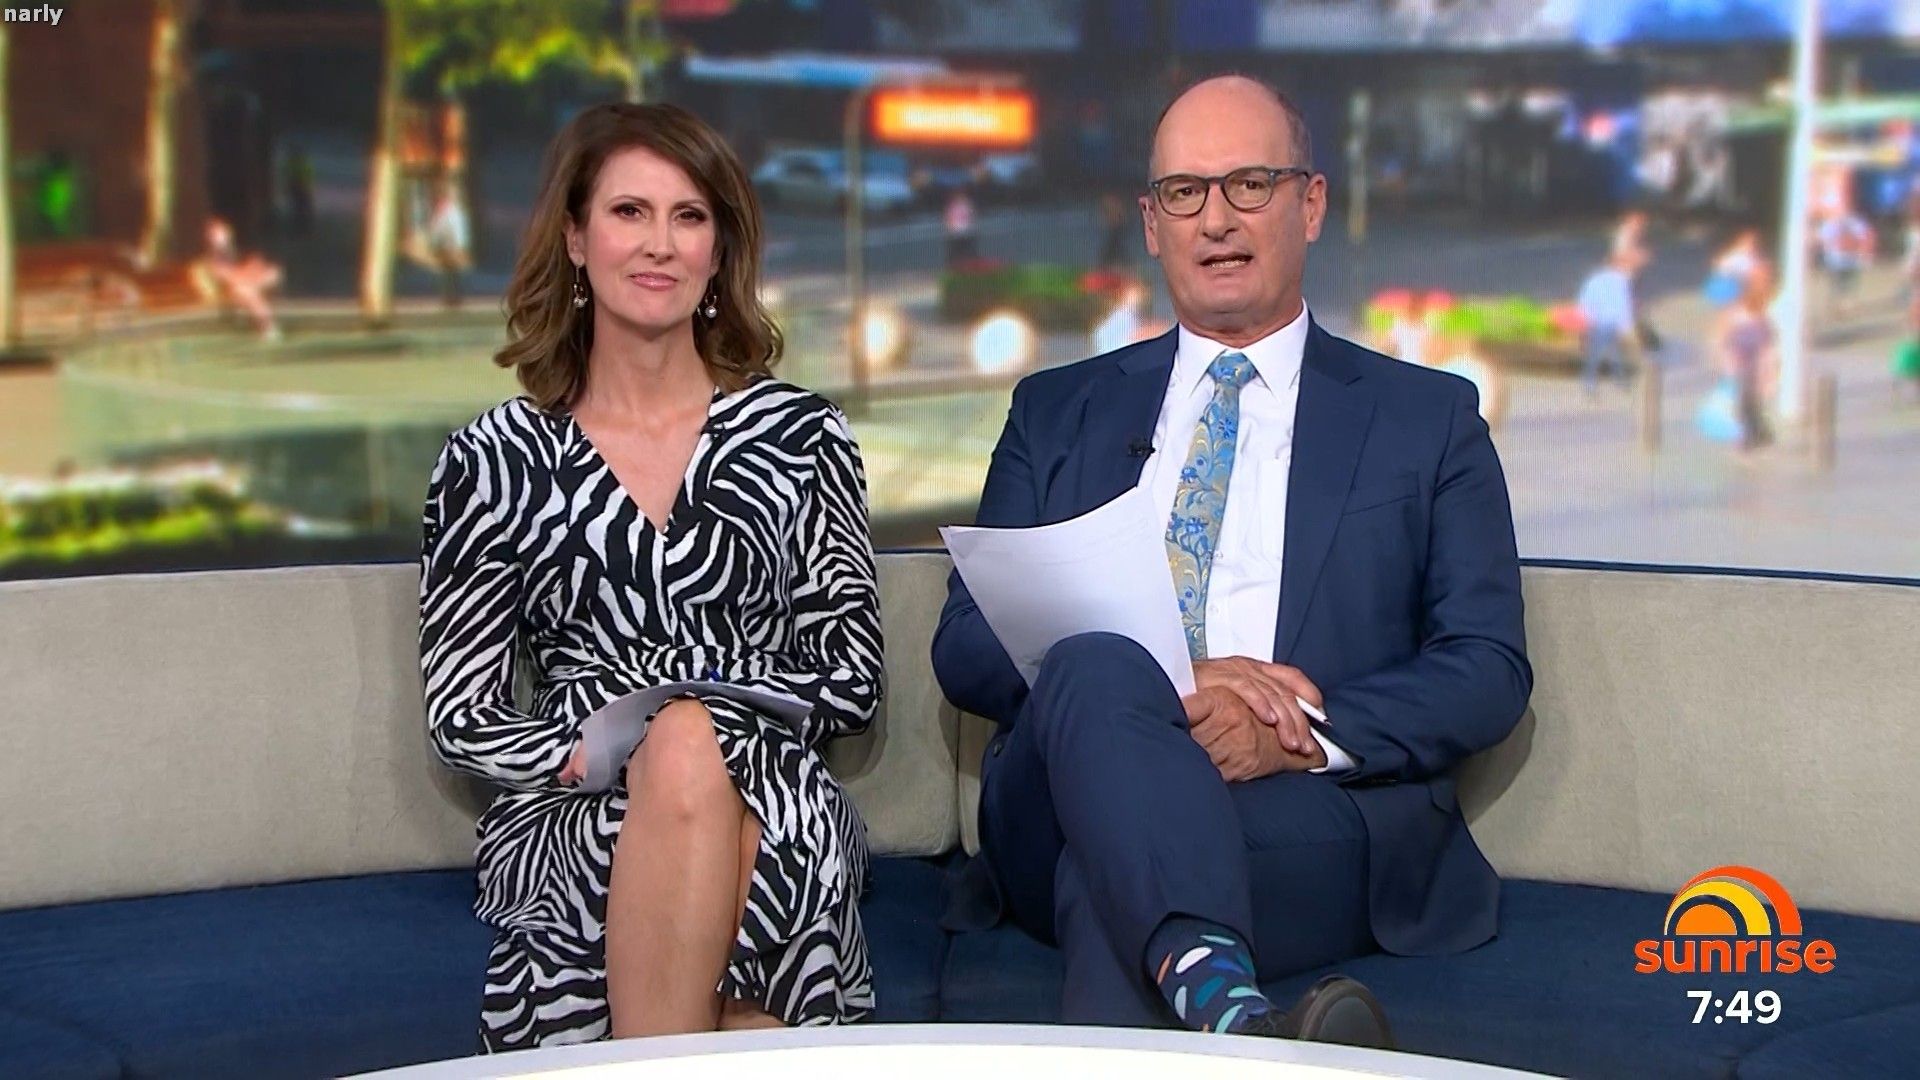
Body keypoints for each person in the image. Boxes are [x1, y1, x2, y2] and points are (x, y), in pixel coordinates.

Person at [933, 75, 1530, 1045]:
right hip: (1060, 791)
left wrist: (1293, 736)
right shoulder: (1055, 411)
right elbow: (965, 646)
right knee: (1099, 662)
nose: (1215, 220)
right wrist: (1172, 684)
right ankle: (1234, 1017)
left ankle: (1219, 1005)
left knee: (1115, 871)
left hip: (1302, 808)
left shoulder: (1427, 420)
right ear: (1151, 222)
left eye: (1249, 184)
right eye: (1184, 193)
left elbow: (1486, 667)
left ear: (1311, 203)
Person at [418, 102, 883, 1050]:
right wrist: (593, 749)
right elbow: (461, 714)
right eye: (630, 212)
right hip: (575, 796)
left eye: (689, 216)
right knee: (691, 780)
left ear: (719, 250)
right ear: (575, 238)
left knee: (698, 749)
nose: (660, 244)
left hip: (771, 781)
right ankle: (730, 1032)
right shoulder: (492, 459)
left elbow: (852, 676)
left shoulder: (801, 437)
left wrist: (702, 718)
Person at [1720, 261, 1778, 453]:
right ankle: (1750, 435)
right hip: (1743, 366)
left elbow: (1766, 349)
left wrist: (1769, 374)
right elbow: (1725, 340)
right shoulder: (1741, 315)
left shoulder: (1760, 319)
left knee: (1750, 402)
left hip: (1751, 366)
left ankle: (1754, 433)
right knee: (1745, 402)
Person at [1575, 250, 1641, 397]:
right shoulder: (1621, 282)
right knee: (1608, 352)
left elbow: (1585, 301)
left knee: (1601, 353)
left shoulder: (1594, 279)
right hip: (1609, 322)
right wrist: (1627, 326)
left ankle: (1595, 383)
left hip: (1596, 322)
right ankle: (1616, 381)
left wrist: (1584, 322)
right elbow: (1623, 305)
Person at [425, 177, 472, 310]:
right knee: (449, 272)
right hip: (447, 246)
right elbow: (438, 228)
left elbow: (456, 229)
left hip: (451, 246)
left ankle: (453, 296)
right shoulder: (445, 211)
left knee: (452, 272)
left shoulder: (452, 211)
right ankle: (450, 296)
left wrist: (459, 245)